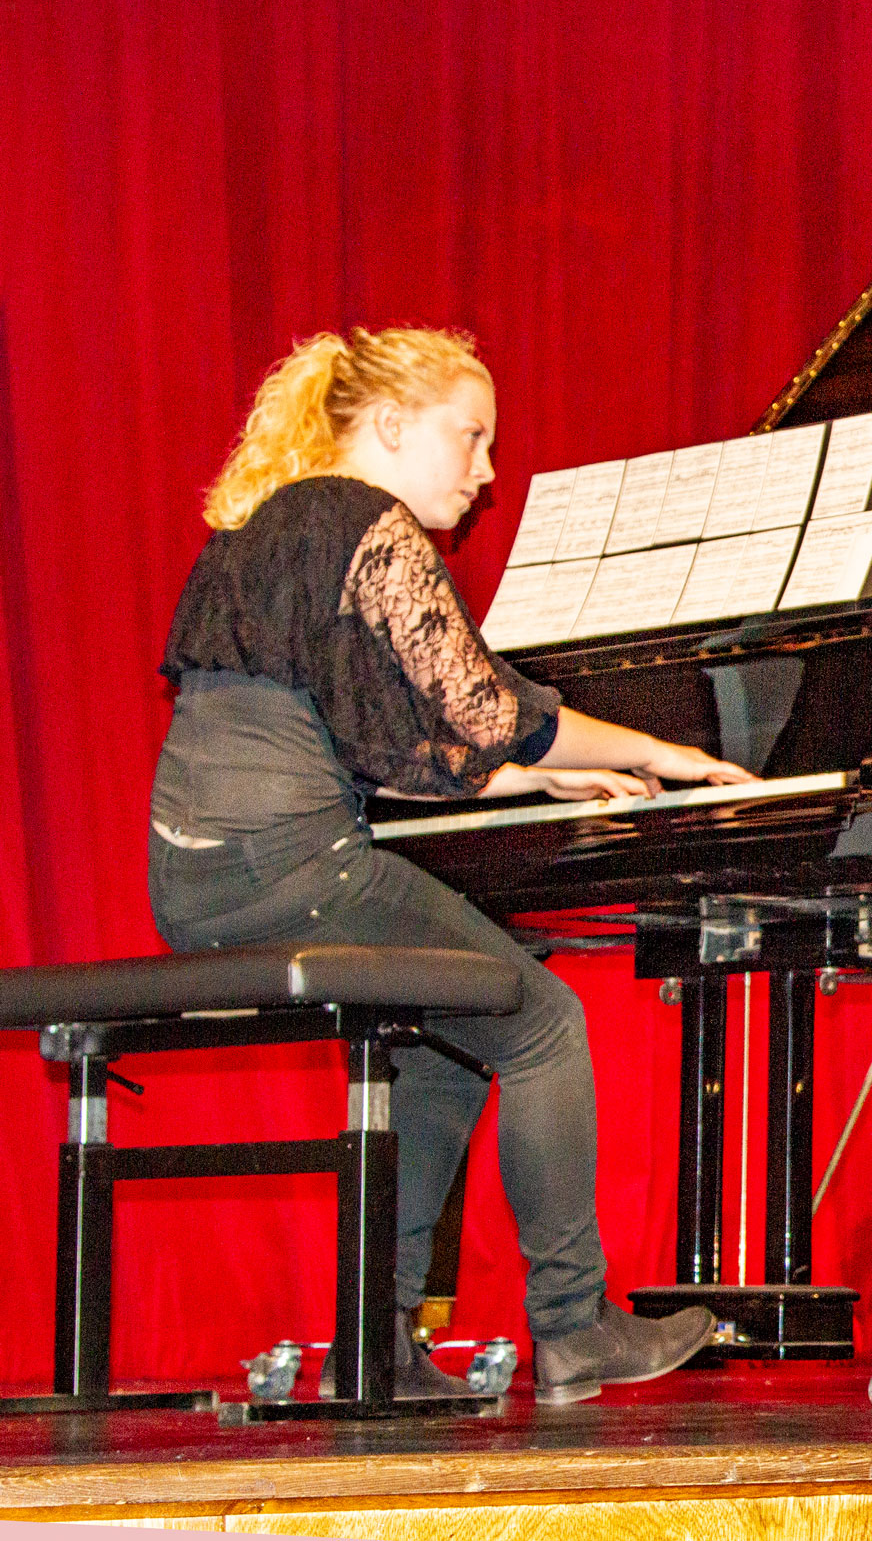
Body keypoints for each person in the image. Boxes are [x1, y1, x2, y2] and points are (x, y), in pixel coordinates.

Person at [149, 327, 758, 1403]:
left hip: (195, 877)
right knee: (543, 1019)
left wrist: (531, 782)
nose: (484, 472)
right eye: (469, 436)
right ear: (387, 426)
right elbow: (485, 708)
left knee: (443, 1036)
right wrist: (654, 747)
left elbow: (380, 749)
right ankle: (577, 1326)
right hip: (294, 863)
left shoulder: (262, 530)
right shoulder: (366, 520)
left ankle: (373, 1342)